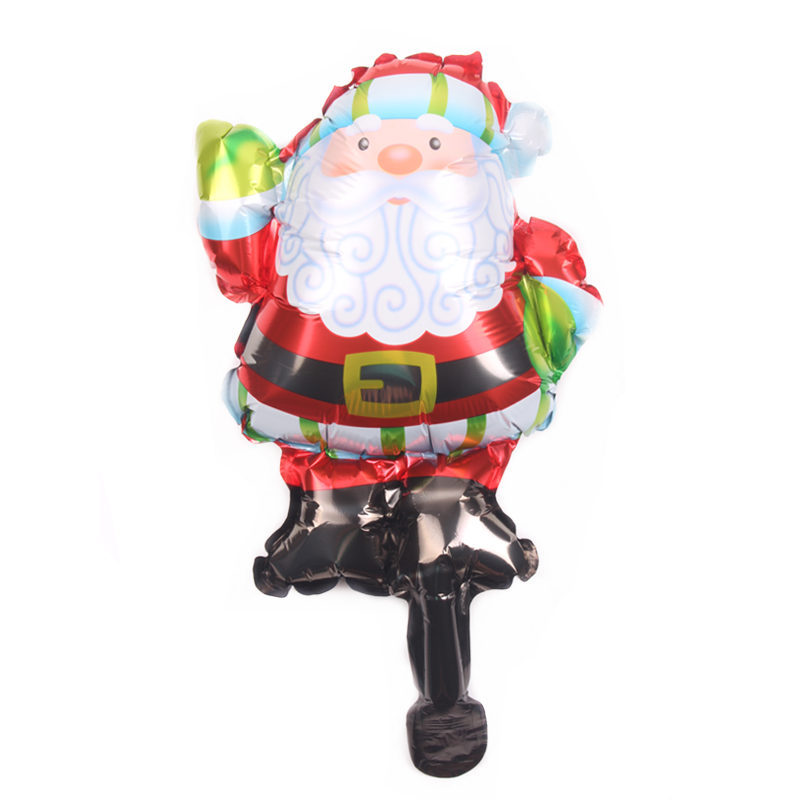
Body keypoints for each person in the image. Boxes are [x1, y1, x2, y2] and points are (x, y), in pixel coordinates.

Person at [196, 51, 601, 777]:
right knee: (410, 534)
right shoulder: (300, 232)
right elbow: (240, 261)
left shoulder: (498, 238)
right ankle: (340, 529)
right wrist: (232, 184)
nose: (401, 159)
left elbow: (565, 301)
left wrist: (553, 327)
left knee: (441, 544)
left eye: (435, 144)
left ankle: (445, 692)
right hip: (331, 428)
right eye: (366, 143)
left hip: (459, 430)